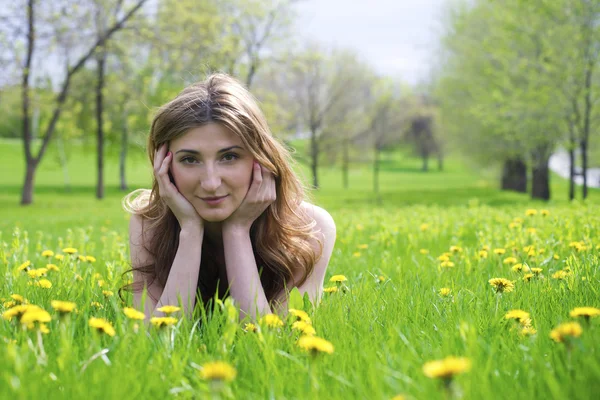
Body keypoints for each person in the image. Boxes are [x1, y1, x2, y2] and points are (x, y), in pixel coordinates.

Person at [121, 73, 336, 320]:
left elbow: (268, 344)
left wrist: (236, 231)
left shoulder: (311, 229)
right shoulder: (149, 223)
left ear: (261, 158)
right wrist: (190, 230)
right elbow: (154, 340)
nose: (211, 183)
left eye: (229, 157)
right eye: (190, 160)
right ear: (165, 165)